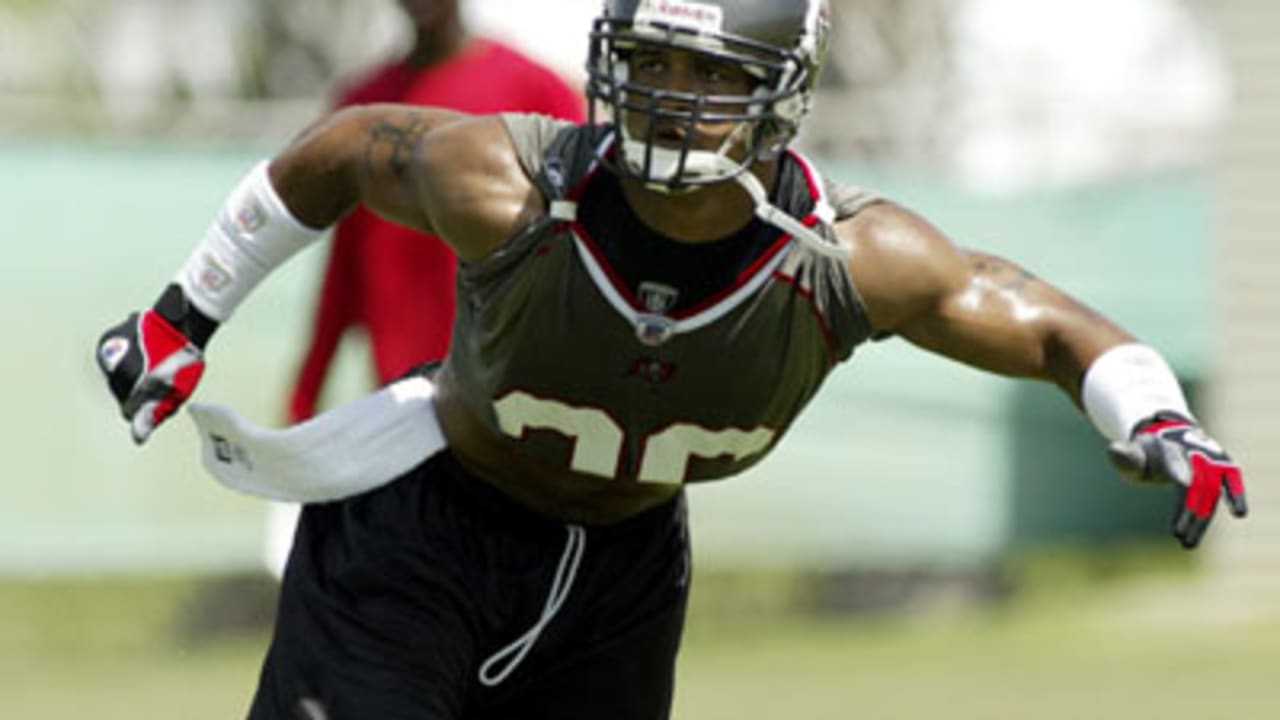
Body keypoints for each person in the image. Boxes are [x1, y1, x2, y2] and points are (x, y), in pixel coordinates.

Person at [94, 1, 1247, 718]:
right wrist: (179, 316)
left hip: (623, 574)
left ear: (776, 94)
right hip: (419, 524)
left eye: (710, 75)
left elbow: (1036, 318)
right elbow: (344, 149)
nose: (673, 99)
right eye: (653, 61)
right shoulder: (515, 186)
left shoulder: (845, 260)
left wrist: (1150, 413)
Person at [266, 0, 585, 577]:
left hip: (513, 414)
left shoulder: (537, 91)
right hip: (408, 415)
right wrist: (303, 399)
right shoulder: (364, 111)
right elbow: (343, 274)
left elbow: (589, 252)